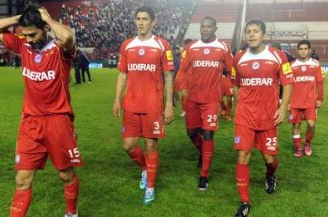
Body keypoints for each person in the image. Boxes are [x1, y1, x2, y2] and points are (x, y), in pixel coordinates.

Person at [0, 5, 83, 217]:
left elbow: (68, 37)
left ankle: (71, 213)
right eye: (25, 34)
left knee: (66, 175)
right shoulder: (23, 46)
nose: (28, 39)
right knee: (21, 180)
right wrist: (19, 18)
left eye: (33, 34)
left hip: (58, 121)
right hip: (30, 122)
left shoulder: (60, 50)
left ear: (45, 28)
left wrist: (47, 19)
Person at [112, 6, 174, 205]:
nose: (140, 22)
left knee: (150, 144)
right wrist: (116, 99)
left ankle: (150, 187)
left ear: (153, 22)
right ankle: (145, 169)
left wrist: (169, 105)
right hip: (130, 104)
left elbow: (168, 75)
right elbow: (123, 73)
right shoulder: (127, 45)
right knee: (128, 145)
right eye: (138, 18)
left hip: (153, 105)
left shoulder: (162, 44)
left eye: (145, 19)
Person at [231, 20, 293, 217]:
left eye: (255, 31)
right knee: (242, 156)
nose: (251, 35)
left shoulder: (277, 55)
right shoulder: (238, 57)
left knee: (269, 158)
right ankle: (244, 202)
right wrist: (241, 103)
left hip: (268, 117)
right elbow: (235, 84)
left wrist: (282, 108)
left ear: (263, 34)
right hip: (245, 117)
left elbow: (288, 84)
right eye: (248, 32)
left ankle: (270, 174)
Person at [180, 17, 233, 190]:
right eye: (202, 26)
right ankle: (203, 152)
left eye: (209, 27)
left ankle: (204, 175)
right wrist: (181, 89)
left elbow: (231, 69)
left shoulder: (223, 47)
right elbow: (183, 69)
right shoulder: (191, 47)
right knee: (191, 132)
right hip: (193, 98)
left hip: (211, 99)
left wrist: (230, 86)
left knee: (209, 134)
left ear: (215, 28)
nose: (205, 29)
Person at [289, 40, 325, 157]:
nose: (303, 51)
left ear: (309, 50)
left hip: (310, 101)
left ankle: (307, 144)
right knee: (296, 125)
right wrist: (287, 102)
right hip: (295, 102)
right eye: (301, 49)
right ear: (297, 50)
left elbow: (319, 82)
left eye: (305, 49)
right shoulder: (291, 65)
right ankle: (298, 147)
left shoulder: (315, 64)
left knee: (311, 125)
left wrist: (319, 99)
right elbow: (287, 85)